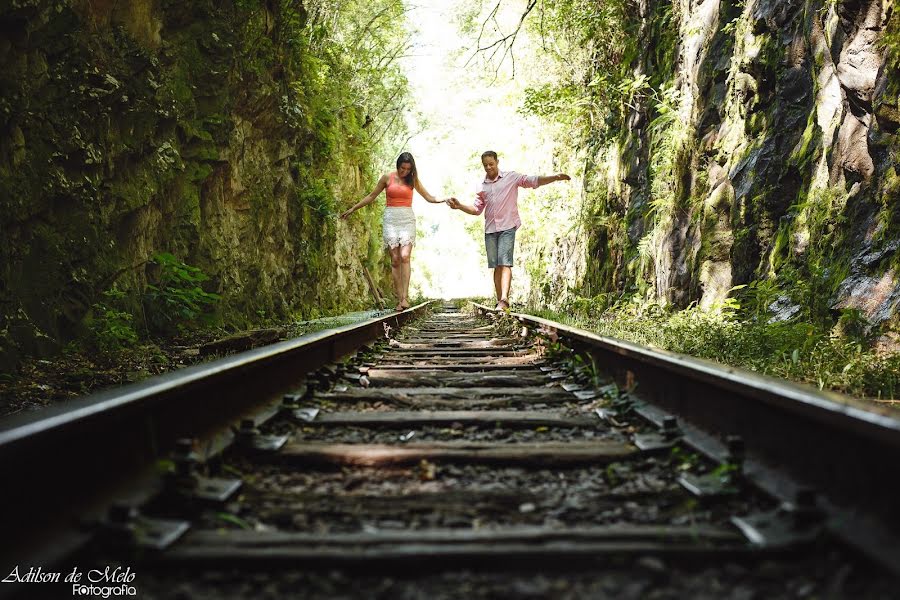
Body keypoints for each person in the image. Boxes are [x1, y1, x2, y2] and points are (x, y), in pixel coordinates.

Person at [448, 151, 570, 311]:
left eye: (491, 164)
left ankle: (505, 299)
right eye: (485, 165)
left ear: (497, 162)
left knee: (505, 262)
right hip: (490, 229)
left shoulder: (511, 178)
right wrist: (459, 206)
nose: (489, 167)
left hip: (507, 226)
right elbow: (476, 209)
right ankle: (500, 301)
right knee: (496, 265)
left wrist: (554, 177)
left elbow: (532, 181)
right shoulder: (482, 186)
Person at [340, 152, 454, 311]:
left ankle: (405, 298)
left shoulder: (412, 180)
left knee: (405, 255)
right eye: (402, 168)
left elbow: (429, 197)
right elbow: (372, 196)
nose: (405, 172)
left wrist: (444, 199)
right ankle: (399, 298)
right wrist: (353, 208)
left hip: (407, 218)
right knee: (394, 259)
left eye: (408, 169)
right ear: (397, 165)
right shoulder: (387, 178)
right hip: (391, 219)